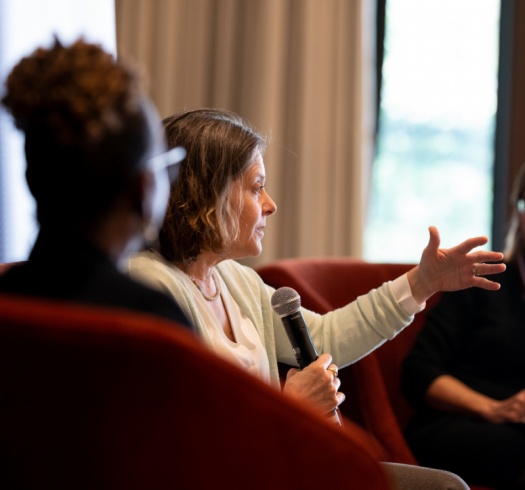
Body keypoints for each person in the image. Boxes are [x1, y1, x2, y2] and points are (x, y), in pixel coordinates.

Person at [129, 108, 505, 490]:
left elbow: (322, 339)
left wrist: (422, 283)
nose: (270, 204)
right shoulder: (152, 285)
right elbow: (181, 436)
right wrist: (289, 408)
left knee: (446, 487)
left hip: (275, 463)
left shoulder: (233, 279)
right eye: (256, 187)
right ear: (210, 194)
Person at [0, 38, 189, 329]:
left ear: (31, 180)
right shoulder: (153, 321)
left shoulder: (9, 299)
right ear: (143, 188)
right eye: (166, 164)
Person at [402, 165, 525, 489]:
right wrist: (494, 409)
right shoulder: (483, 283)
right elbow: (419, 373)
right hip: (460, 423)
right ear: (518, 212)